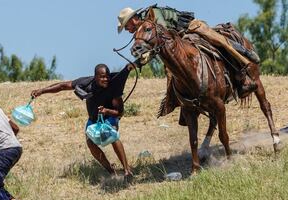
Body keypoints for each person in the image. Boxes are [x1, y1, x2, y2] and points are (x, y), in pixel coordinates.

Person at [117, 5, 260, 98]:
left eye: (126, 26)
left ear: (133, 19)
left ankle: (244, 67)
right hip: (178, 41)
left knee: (219, 43)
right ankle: (175, 99)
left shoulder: (151, 15)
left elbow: (163, 36)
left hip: (190, 28)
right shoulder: (141, 31)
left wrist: (145, 57)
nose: (127, 30)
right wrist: (139, 61)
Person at [31, 63, 135, 181]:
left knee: (112, 135)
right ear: (95, 77)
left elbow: (119, 113)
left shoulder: (113, 87)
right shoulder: (86, 83)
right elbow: (62, 86)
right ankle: (111, 171)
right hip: (93, 120)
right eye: (102, 77)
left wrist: (106, 111)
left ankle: (127, 170)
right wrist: (42, 91)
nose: (105, 79)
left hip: (110, 116)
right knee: (90, 143)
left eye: (107, 76)